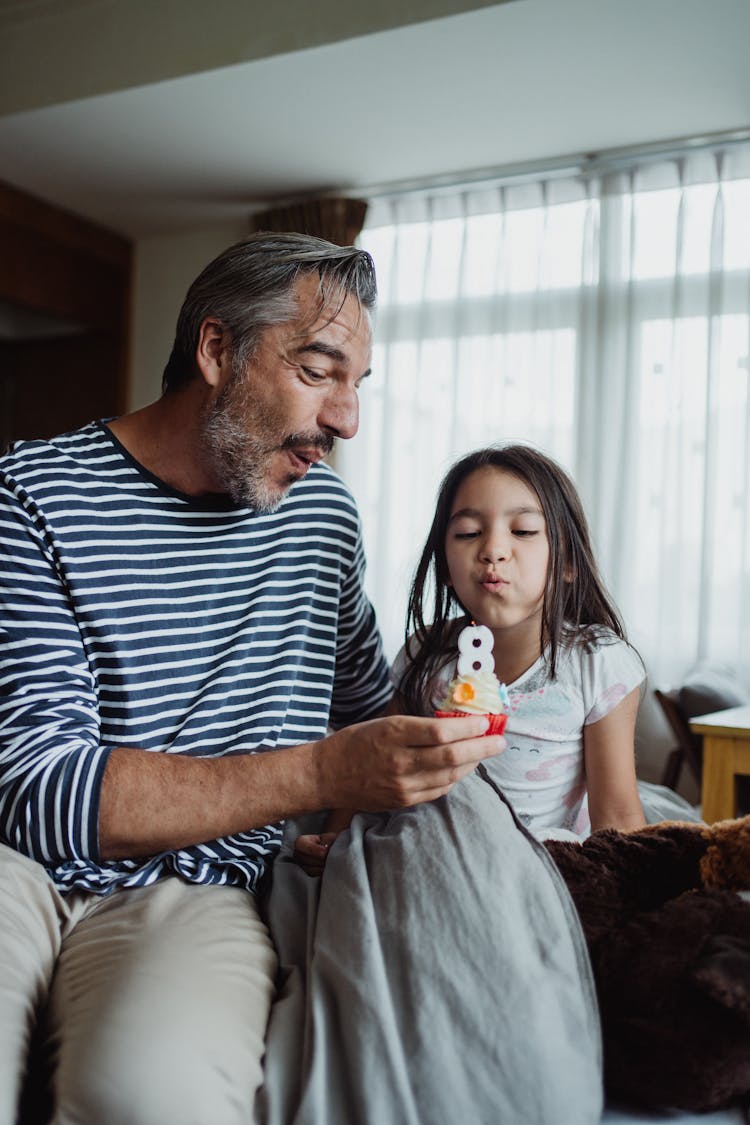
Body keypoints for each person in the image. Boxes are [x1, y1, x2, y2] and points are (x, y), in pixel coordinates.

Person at [0, 233, 503, 1125]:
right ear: (216, 348)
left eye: (359, 386)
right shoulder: (30, 495)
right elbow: (37, 790)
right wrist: (320, 774)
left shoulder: (322, 517)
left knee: (152, 1095)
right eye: (319, 370)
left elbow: (364, 704)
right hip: (15, 869)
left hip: (195, 889)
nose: (347, 419)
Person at [295, 442, 646, 874]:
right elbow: (375, 768)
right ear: (444, 563)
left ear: (569, 561)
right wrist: (335, 836)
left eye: (523, 531)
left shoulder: (598, 663)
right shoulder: (424, 655)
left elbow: (618, 819)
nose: (493, 550)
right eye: (467, 533)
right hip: (430, 855)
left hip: (540, 867)